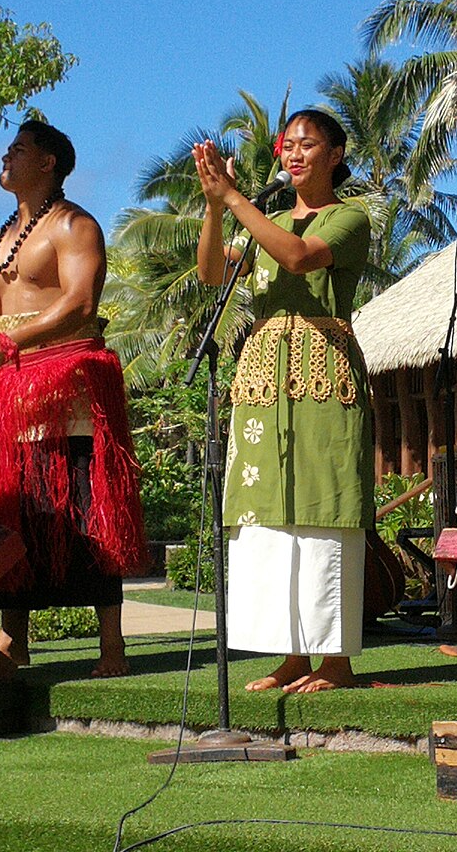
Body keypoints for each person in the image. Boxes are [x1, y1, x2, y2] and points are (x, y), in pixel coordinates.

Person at [0, 120, 147, 678]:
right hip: (13, 389)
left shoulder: (74, 225)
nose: (5, 157)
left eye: (19, 149)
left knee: (85, 506)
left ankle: (112, 645)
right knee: (16, 510)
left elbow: (81, 303)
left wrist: (9, 341)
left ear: (49, 163)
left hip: (68, 381)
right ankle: (12, 639)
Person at [194, 109, 374, 693]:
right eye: (287, 145)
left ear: (336, 155)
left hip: (323, 370)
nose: (294, 154)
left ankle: (335, 662)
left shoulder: (350, 216)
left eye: (308, 145)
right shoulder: (262, 219)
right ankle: (292, 656)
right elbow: (209, 274)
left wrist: (238, 200)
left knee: (323, 509)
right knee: (270, 512)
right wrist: (215, 206)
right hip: (263, 378)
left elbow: (298, 257)